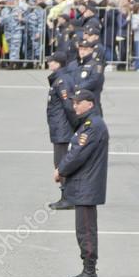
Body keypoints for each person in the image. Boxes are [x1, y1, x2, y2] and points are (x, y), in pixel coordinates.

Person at [53, 90, 108, 277]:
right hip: (84, 183)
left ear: (90, 104)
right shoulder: (88, 124)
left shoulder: (93, 126)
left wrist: (61, 169)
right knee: (83, 229)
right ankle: (88, 269)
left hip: (87, 184)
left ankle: (89, 271)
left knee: (86, 230)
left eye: (78, 102)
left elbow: (78, 154)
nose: (74, 106)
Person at [46, 51, 77, 211]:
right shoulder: (58, 79)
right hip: (59, 128)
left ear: (57, 64)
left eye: (51, 61)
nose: (48, 63)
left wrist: (75, 125)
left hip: (62, 129)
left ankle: (68, 198)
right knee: (61, 163)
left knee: (61, 163)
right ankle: (67, 196)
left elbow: (69, 106)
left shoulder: (61, 81)